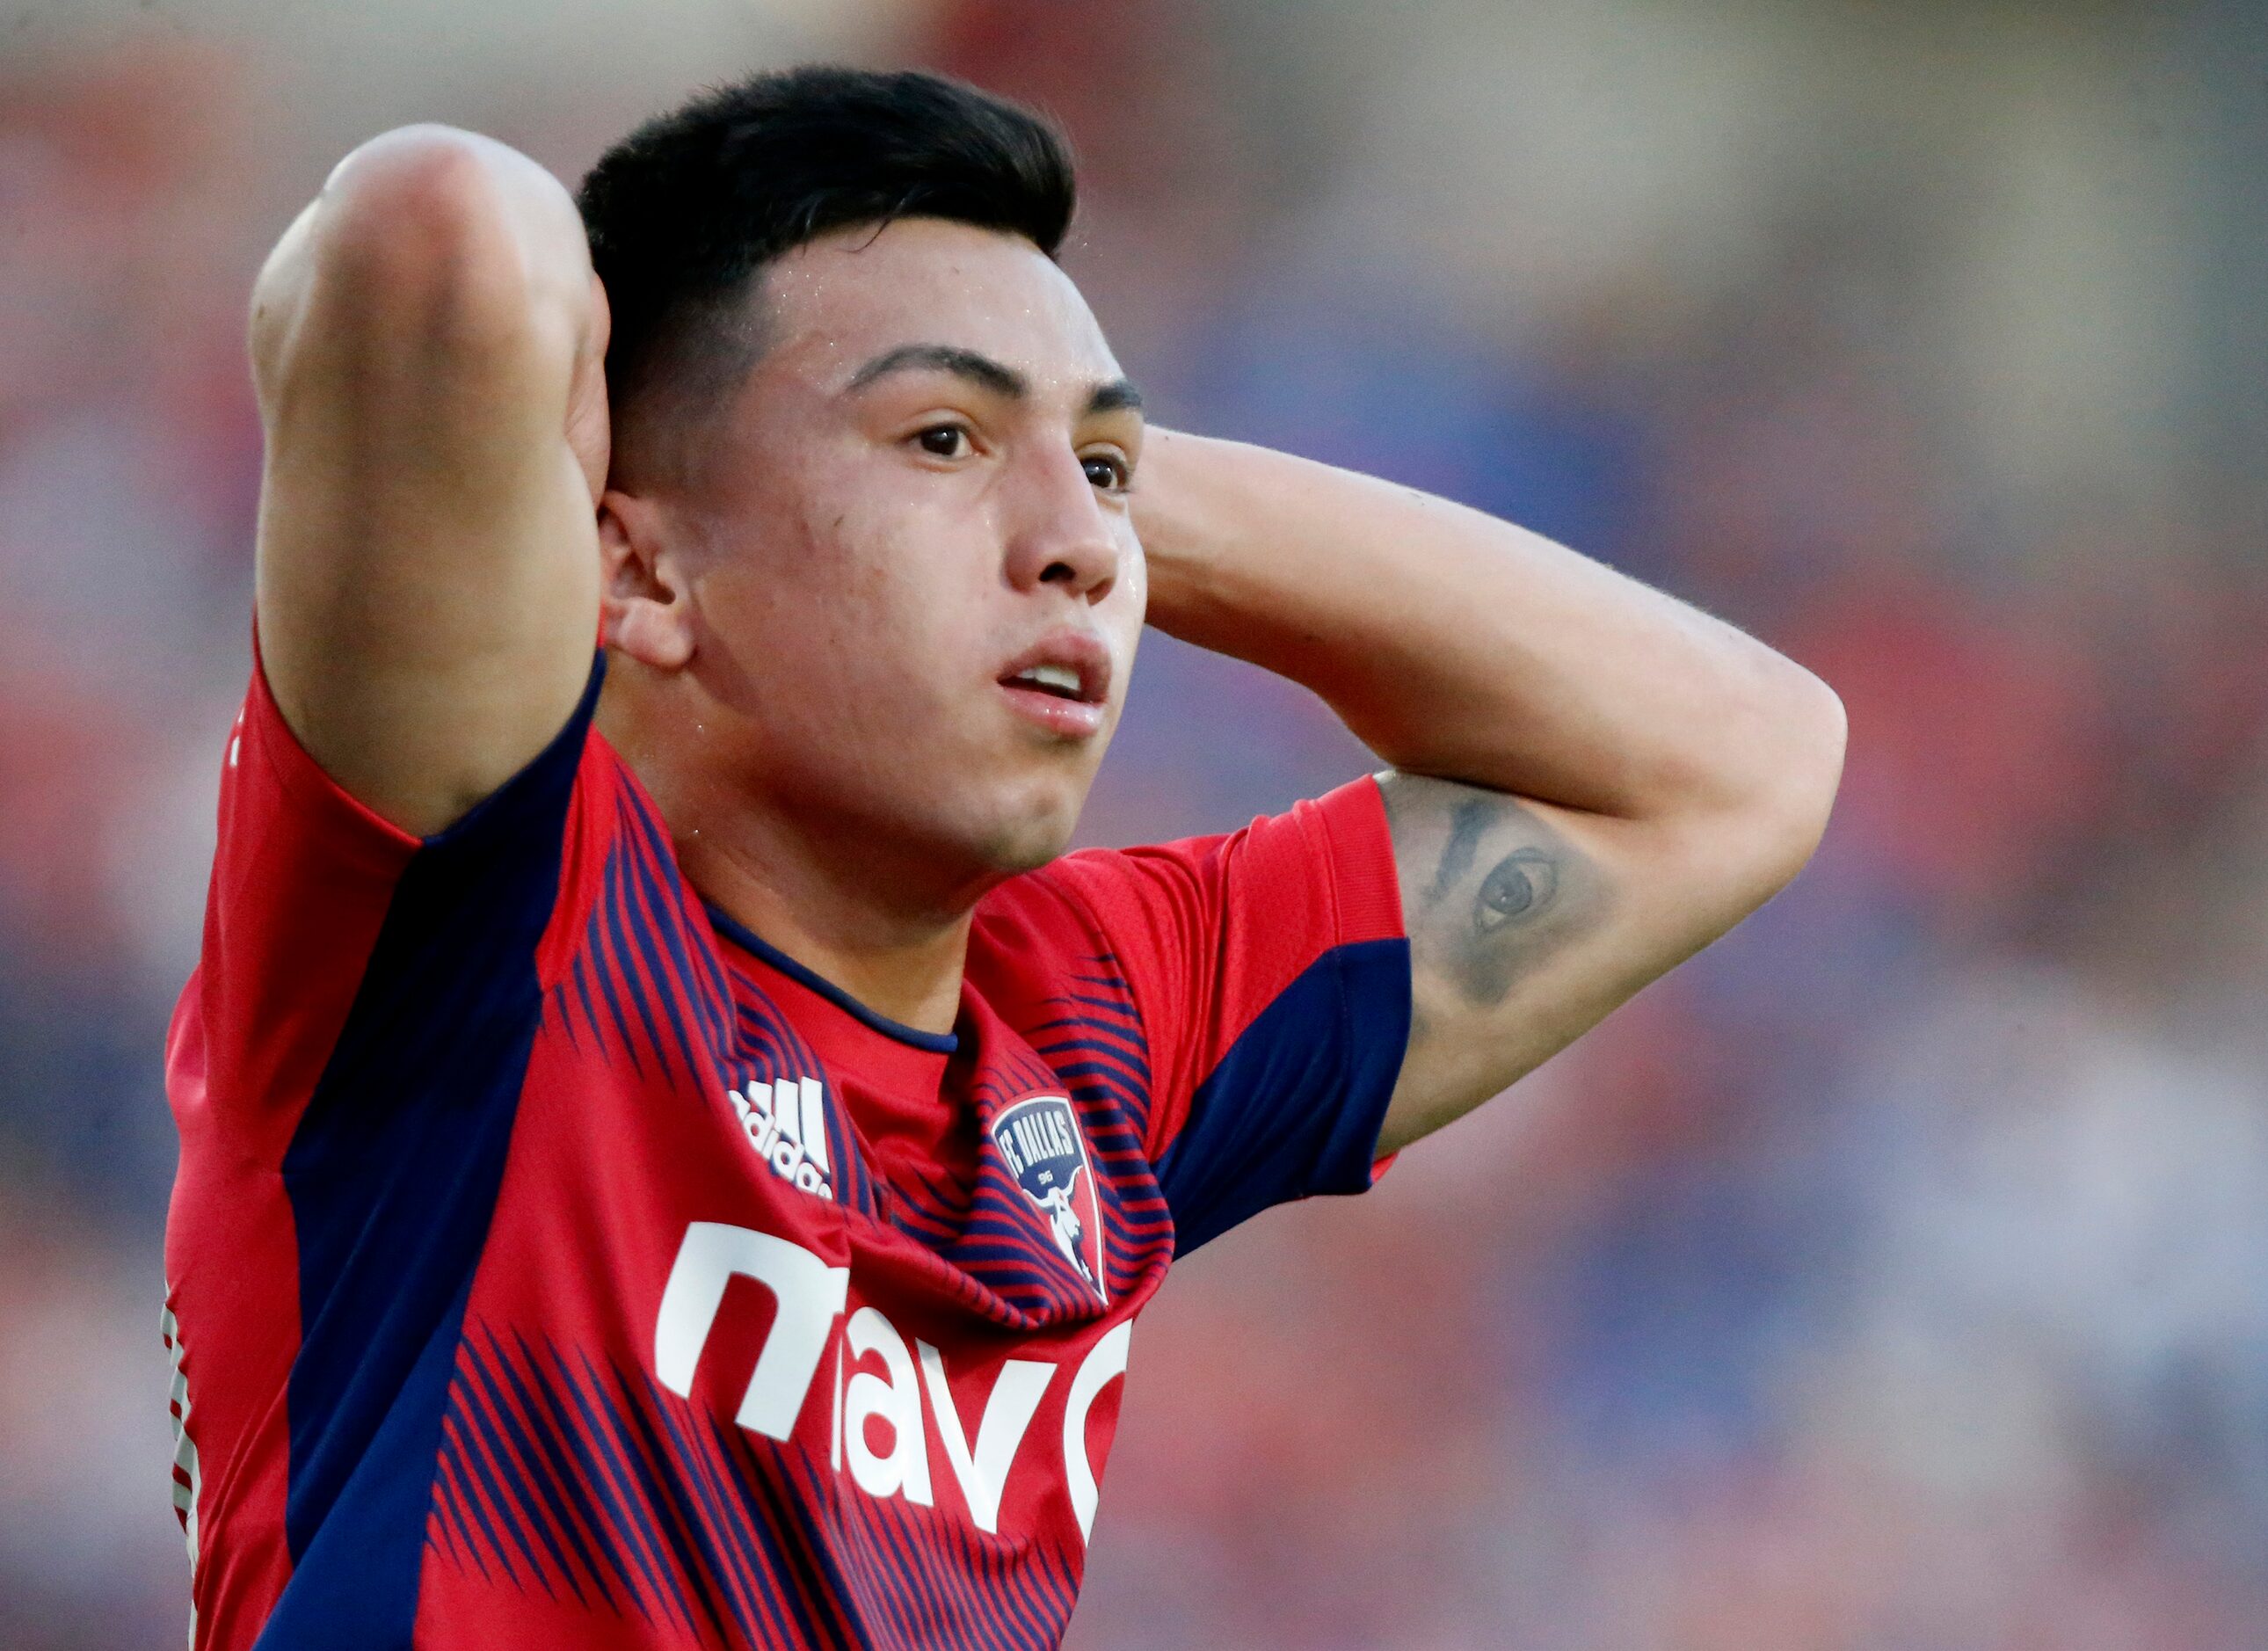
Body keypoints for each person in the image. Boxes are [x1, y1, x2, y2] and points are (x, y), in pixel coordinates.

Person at [161, 66, 1845, 1650]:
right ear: (641, 571)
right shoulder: (476, 919)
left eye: (1103, 476)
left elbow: (1741, 761)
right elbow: (436, 232)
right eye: (941, 444)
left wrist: (1071, 473)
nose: (1080, 554)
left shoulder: (1110, 1019)